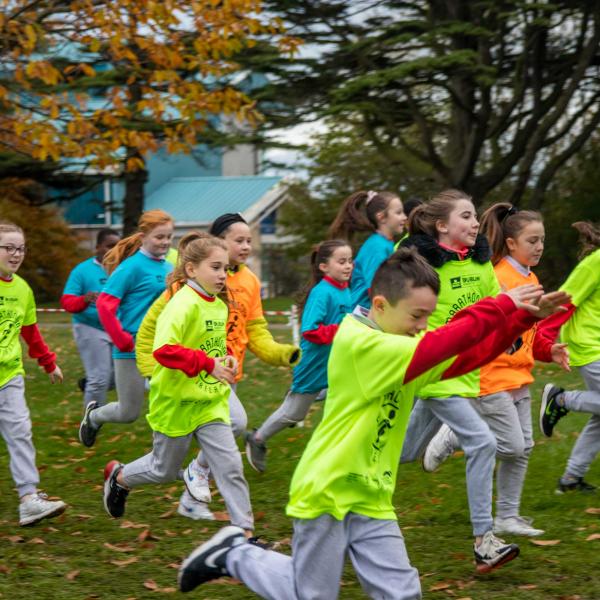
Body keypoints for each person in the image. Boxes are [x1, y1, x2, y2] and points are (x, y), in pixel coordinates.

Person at [177, 248, 569, 597]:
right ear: (380, 305)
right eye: (417, 315)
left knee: (402, 593)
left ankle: (237, 554)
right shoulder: (363, 342)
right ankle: (236, 555)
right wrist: (501, 305)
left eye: (428, 317)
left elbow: (465, 356)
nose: (422, 325)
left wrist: (520, 321)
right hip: (328, 492)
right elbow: (445, 342)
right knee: (311, 593)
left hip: (372, 497)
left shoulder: (400, 340)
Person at [135, 213, 300, 519]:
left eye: (250, 240)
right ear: (217, 244)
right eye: (239, 240)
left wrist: (280, 353)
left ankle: (232, 522)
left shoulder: (248, 281)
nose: (247, 246)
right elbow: (153, 335)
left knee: (231, 442)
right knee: (164, 467)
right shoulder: (183, 292)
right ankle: (133, 478)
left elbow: (253, 330)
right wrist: (149, 369)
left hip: (219, 378)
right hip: (179, 384)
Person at [422, 203, 569, 537]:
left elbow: (525, 332)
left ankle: (507, 516)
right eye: (532, 240)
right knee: (512, 446)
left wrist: (548, 349)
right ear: (512, 243)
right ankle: (454, 435)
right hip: (491, 377)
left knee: (524, 448)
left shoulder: (530, 277)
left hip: (519, 377)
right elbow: (487, 325)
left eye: (542, 240)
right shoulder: (499, 276)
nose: (540, 247)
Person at [102, 234, 254, 537]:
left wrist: (224, 359)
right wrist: (209, 364)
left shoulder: (218, 305)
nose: (222, 275)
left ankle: (245, 535)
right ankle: (119, 478)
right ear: (191, 269)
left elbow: (210, 345)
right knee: (163, 471)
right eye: (215, 267)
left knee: (231, 468)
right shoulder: (181, 304)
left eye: (225, 268)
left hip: (210, 401)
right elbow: (164, 350)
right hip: (176, 402)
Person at [398, 189, 512, 561]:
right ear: (442, 225)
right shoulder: (423, 264)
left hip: (465, 373)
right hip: (435, 371)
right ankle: (484, 542)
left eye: (475, 215)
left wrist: (508, 335)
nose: (475, 222)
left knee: (405, 451)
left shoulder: (480, 265)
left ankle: (346, 457)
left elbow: (496, 307)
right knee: (483, 443)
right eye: (465, 215)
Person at [245, 240, 353, 473]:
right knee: (295, 413)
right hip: (314, 364)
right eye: (342, 261)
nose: (348, 266)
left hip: (335, 362)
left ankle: (336, 454)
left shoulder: (346, 290)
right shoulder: (322, 292)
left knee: (346, 390)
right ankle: (257, 438)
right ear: (324, 266)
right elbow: (310, 331)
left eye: (350, 261)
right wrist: (343, 329)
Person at [78, 209, 174, 447]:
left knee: (171, 399)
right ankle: (94, 416)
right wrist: (121, 339)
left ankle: (165, 453)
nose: (165, 242)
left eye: (169, 237)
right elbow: (104, 304)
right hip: (130, 347)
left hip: (160, 346)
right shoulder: (132, 267)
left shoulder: (169, 267)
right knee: (128, 412)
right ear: (143, 237)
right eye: (159, 237)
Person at [0, 220, 67, 526]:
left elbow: (30, 332)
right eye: (8, 248)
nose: (16, 254)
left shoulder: (23, 290)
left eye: (21, 248)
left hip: (9, 376)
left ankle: (29, 499)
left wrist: (48, 362)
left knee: (20, 433)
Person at [537, 221, 600, 493]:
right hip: (590, 343)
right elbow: (565, 300)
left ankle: (571, 479)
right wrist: (544, 339)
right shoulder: (595, 263)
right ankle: (560, 399)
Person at [61, 228, 120, 409]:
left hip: (118, 328)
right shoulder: (83, 270)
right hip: (90, 327)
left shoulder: (124, 268)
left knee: (122, 376)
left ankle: (90, 383)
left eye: (117, 246)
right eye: (109, 245)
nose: (113, 250)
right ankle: (91, 423)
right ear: (97, 247)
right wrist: (84, 299)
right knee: (100, 380)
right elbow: (68, 302)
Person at [329, 190, 406, 309]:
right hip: (365, 317)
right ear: (381, 217)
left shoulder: (385, 243)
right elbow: (376, 288)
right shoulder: (376, 247)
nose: (404, 217)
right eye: (398, 213)